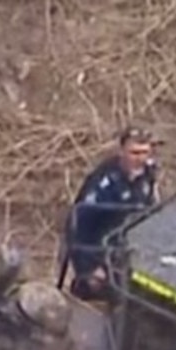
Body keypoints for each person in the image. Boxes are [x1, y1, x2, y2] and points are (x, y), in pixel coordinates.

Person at [63, 126, 160, 300]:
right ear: (122, 151)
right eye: (134, 153)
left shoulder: (147, 176)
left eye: (144, 153)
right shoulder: (105, 183)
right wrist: (88, 268)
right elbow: (78, 224)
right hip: (100, 253)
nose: (140, 159)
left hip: (130, 252)